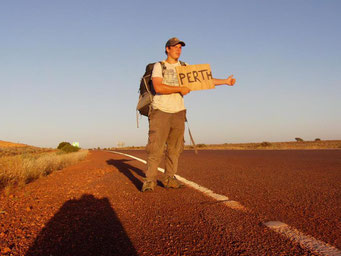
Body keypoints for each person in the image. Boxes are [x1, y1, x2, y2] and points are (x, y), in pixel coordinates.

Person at [142, 37, 236, 192]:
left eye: (180, 47)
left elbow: (204, 81)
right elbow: (158, 87)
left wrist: (225, 81)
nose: (178, 49)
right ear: (167, 49)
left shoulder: (185, 67)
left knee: (175, 148)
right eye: (175, 47)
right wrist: (179, 89)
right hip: (160, 111)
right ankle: (150, 181)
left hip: (179, 111)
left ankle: (169, 178)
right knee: (155, 148)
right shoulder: (160, 66)